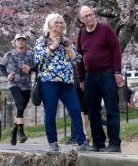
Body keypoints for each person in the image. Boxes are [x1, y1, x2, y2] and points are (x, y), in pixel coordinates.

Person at [34, 13, 94, 152]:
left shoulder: (66, 41)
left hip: (67, 83)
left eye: (61, 23)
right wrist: (52, 47)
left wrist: (68, 49)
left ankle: (82, 142)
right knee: (51, 112)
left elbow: (78, 59)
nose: (60, 25)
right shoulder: (42, 41)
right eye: (56, 23)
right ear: (49, 25)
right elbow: (37, 60)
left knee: (75, 110)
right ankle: (53, 142)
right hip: (49, 82)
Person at [76, 5, 123, 152]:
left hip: (107, 74)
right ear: (81, 19)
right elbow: (79, 57)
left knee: (111, 109)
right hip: (90, 77)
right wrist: (81, 79)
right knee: (92, 111)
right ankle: (98, 143)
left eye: (91, 14)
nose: (89, 18)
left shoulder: (106, 29)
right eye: (85, 16)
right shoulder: (81, 34)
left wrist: (117, 72)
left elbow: (116, 50)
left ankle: (114, 144)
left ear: (95, 14)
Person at [0, 33, 35, 145]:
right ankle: (22, 133)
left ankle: (14, 131)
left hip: (27, 85)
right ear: (15, 42)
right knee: (19, 105)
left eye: (23, 40)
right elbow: (1, 66)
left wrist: (30, 68)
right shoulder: (9, 54)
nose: (21, 42)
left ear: (25, 42)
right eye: (18, 40)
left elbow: (37, 66)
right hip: (14, 84)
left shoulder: (30, 54)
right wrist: (7, 75)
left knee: (20, 110)